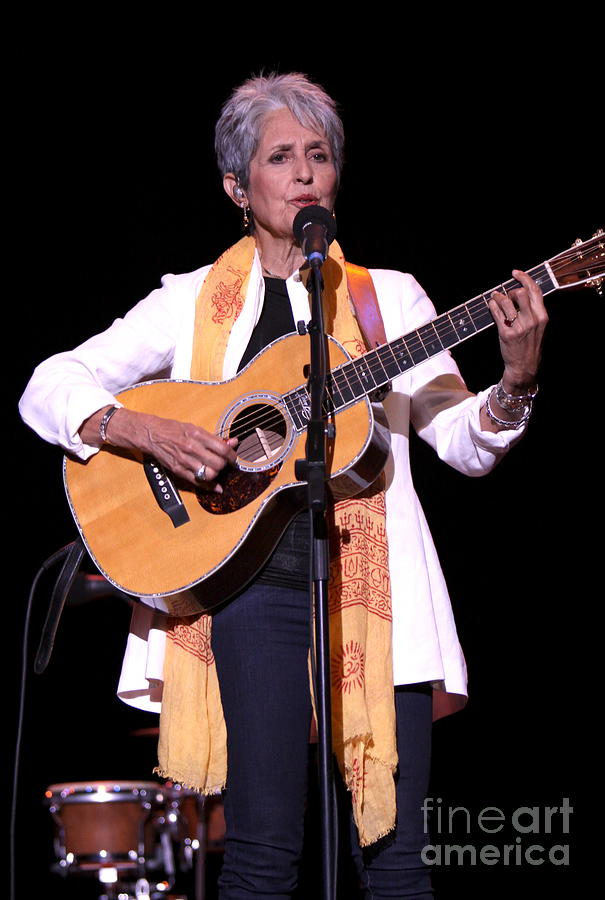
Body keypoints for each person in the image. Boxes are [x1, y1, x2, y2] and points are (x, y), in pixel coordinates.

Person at [20, 72, 547, 899]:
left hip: (377, 592)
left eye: (320, 155)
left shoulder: (386, 300)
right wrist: (142, 429)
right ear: (238, 185)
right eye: (280, 157)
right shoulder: (189, 302)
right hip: (247, 589)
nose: (305, 173)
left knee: (398, 860)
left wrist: (514, 381)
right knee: (263, 856)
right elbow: (50, 383)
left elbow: (462, 442)